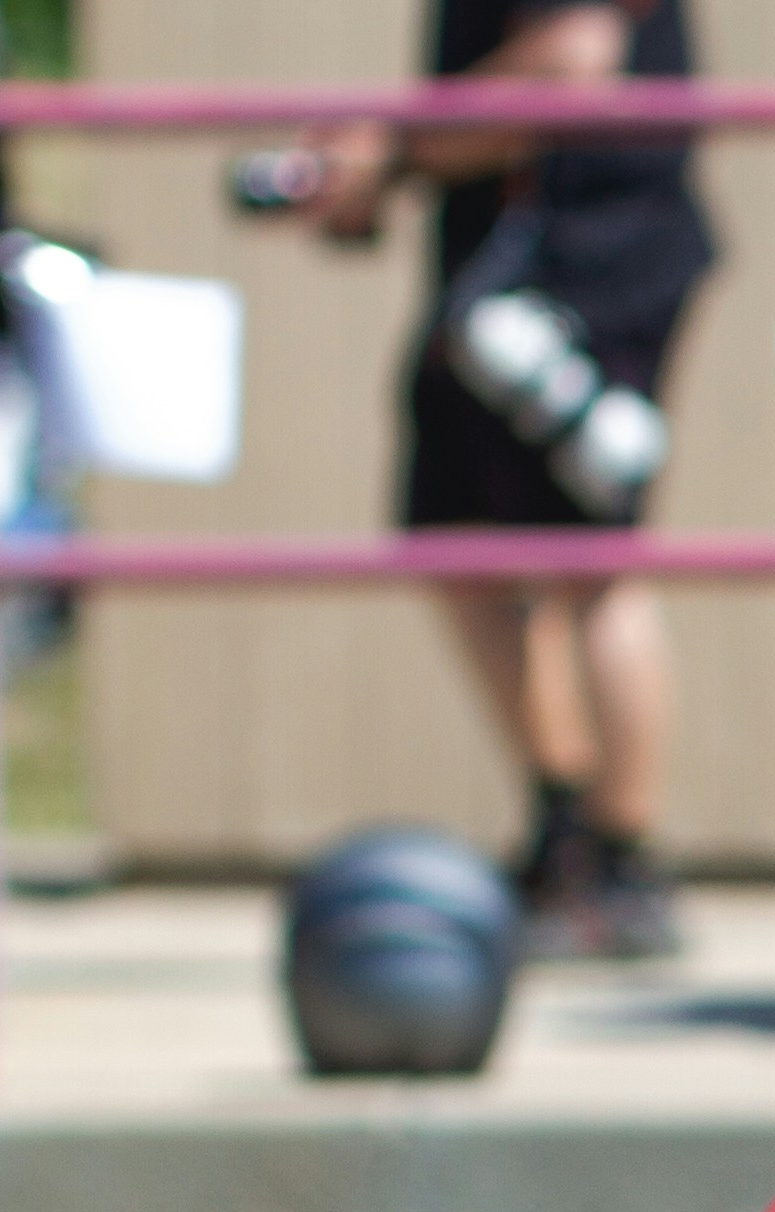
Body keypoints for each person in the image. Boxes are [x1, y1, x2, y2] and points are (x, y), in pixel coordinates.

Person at [304, 2, 724, 962]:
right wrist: (383, 167)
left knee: (593, 564)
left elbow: (575, 63)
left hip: (590, 257)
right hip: (488, 267)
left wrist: (394, 150)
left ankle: (625, 864)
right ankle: (562, 828)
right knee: (456, 539)